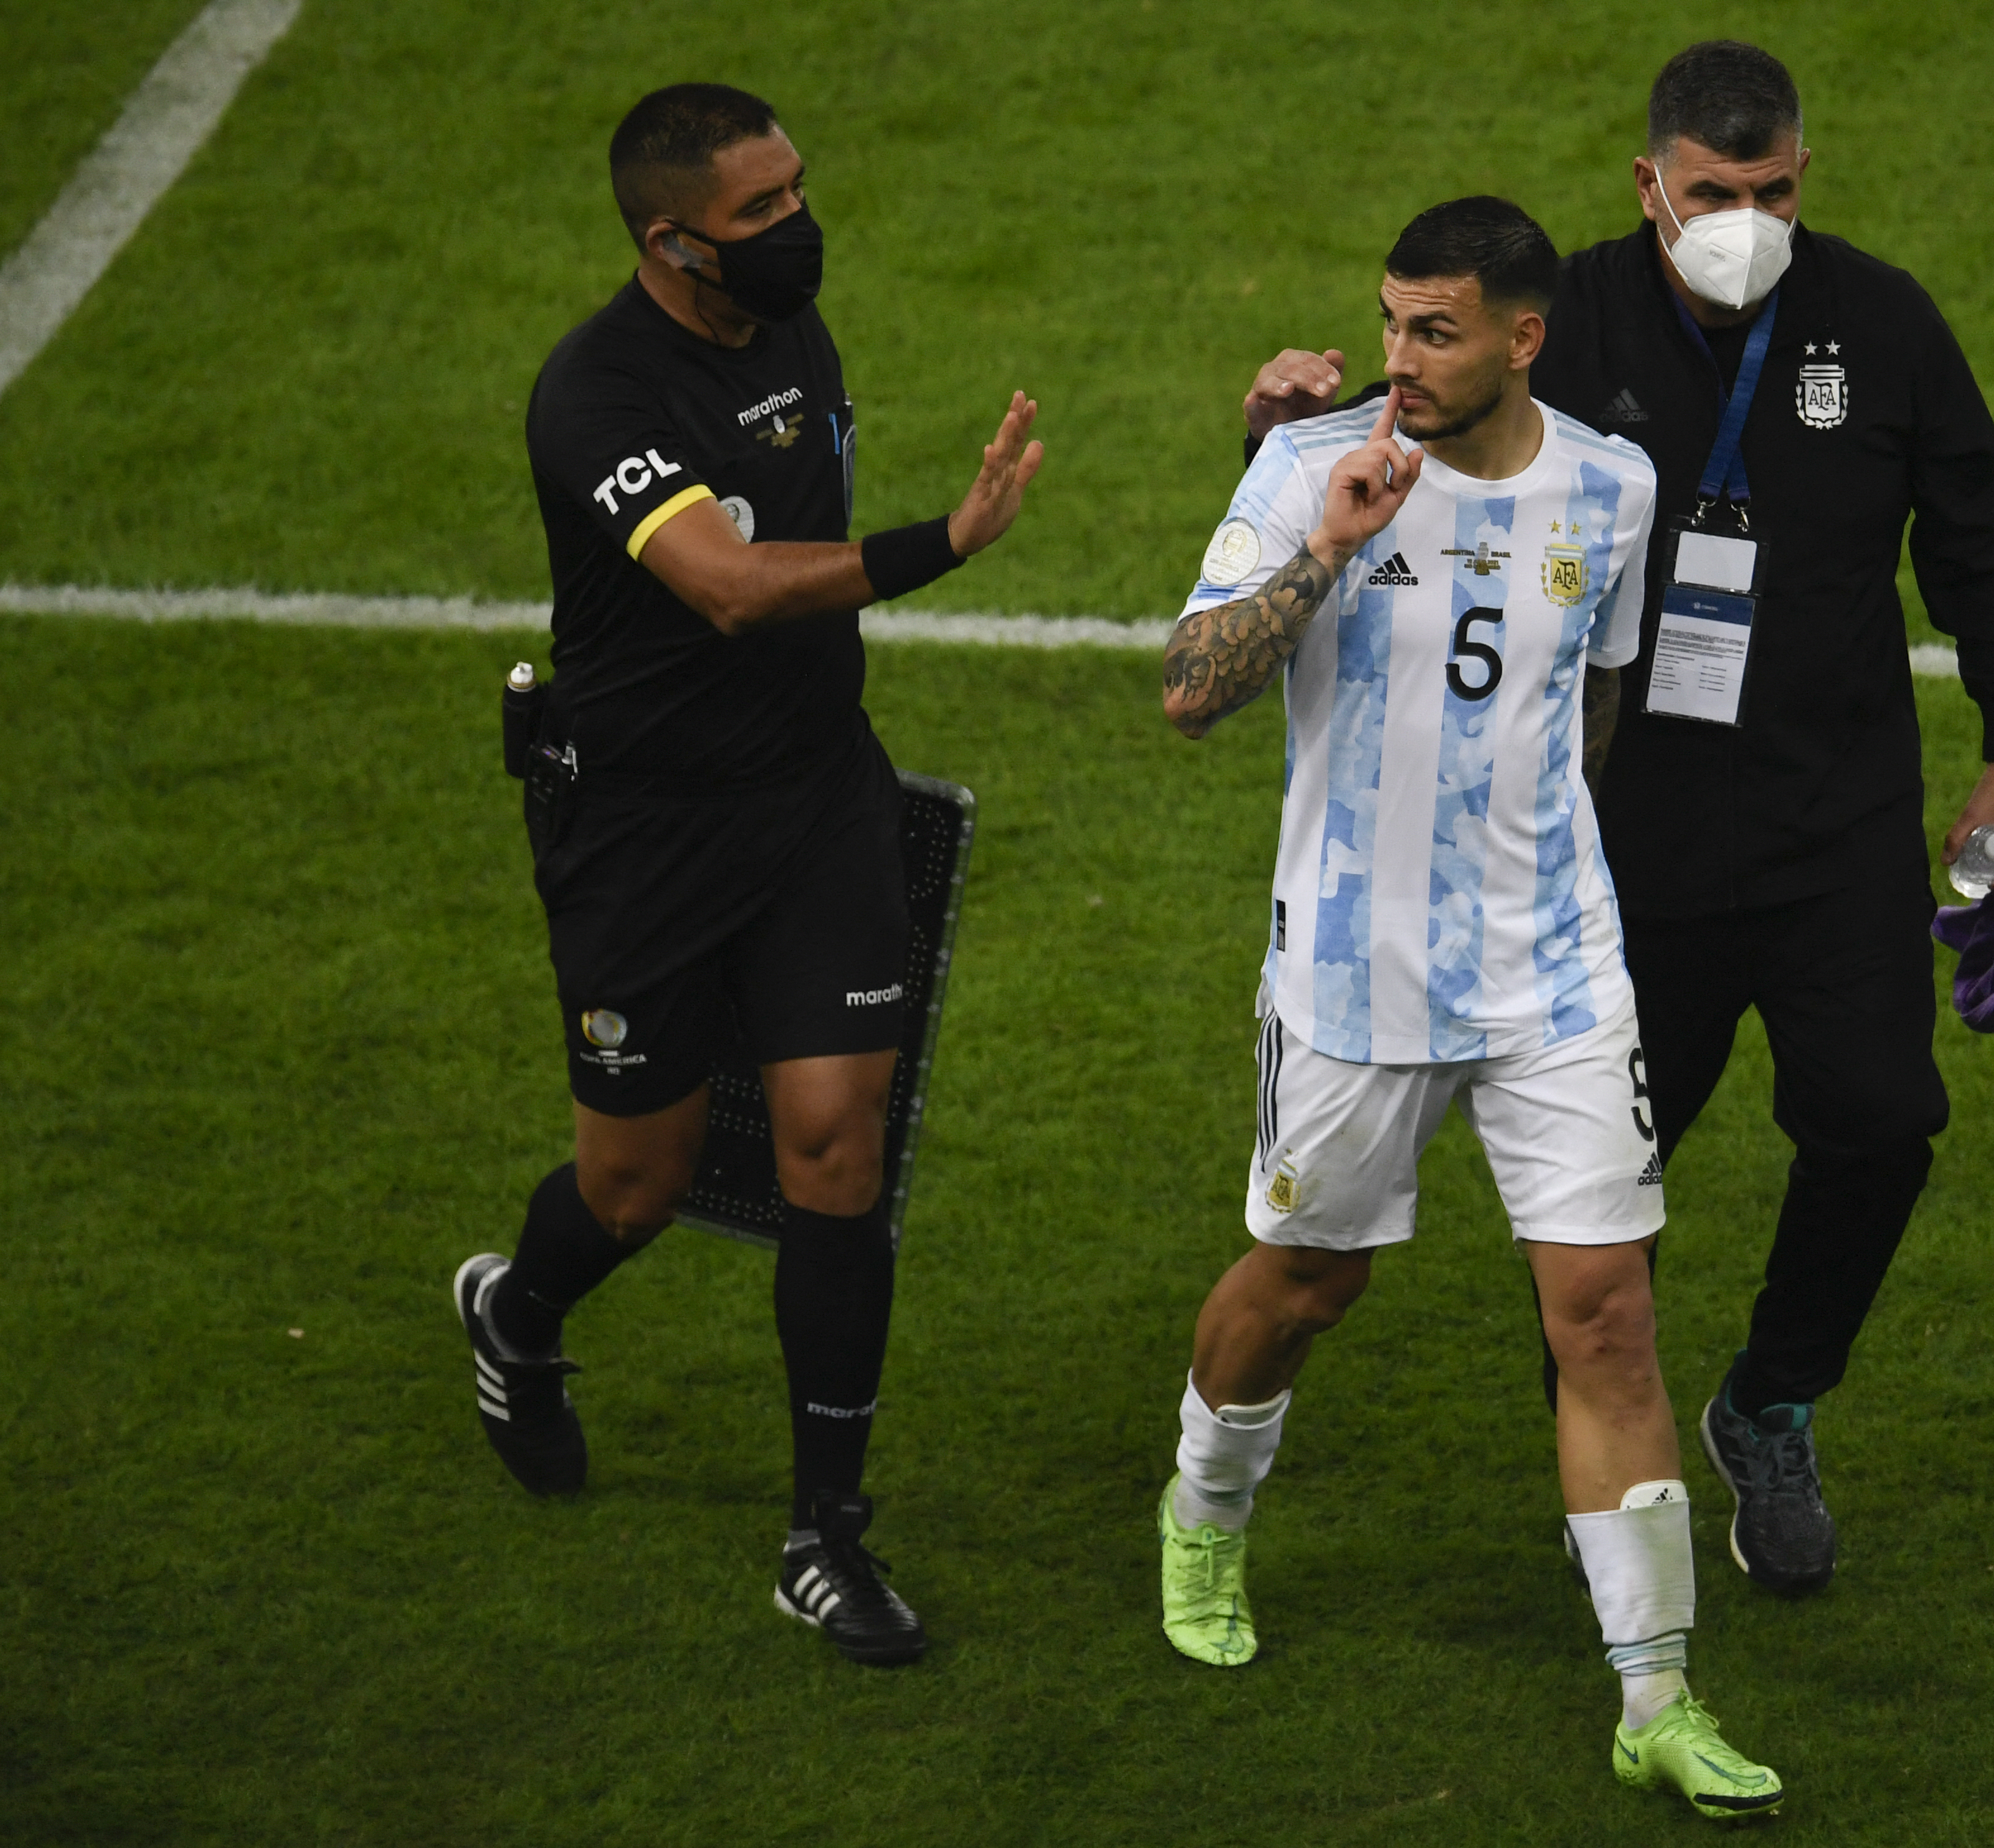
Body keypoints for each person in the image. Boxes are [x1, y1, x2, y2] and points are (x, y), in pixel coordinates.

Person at [1241, 42, 1994, 1598]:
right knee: (1605, 1193)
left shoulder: (1882, 325)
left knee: (1884, 1122)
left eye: (1769, 193)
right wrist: (1274, 423)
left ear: (1804, 177)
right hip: (1623, 846)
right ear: (1650, 186)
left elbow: (1980, 544)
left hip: (1837, 825)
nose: (1742, 219)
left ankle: (1769, 1402)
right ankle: (1604, 1463)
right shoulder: (1571, 320)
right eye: (1711, 194)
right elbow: (1401, 436)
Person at [1157, 196, 1782, 1821]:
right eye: (1391, 325)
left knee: (1608, 1310)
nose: (1401, 361)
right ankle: (1203, 1517)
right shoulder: (1310, 469)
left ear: (1525, 336)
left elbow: (1595, 701)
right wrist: (1329, 549)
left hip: (1556, 972)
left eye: (1436, 331)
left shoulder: (1614, 483)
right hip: (1354, 978)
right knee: (1308, 1282)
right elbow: (1191, 689)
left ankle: (1656, 1690)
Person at [451, 83, 1043, 1667]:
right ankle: (519, 1311)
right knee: (634, 1184)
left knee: (833, 1151)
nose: (799, 228)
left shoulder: (789, 337)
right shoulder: (594, 394)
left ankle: (824, 1533)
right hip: (645, 837)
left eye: (797, 192)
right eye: (761, 215)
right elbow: (720, 583)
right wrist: (948, 540)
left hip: (816, 805)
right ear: (672, 243)